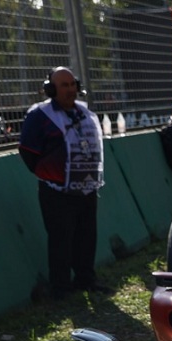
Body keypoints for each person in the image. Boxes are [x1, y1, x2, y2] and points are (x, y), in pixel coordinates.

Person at [18, 66, 109, 299]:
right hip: (56, 190)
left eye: (72, 85)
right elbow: (28, 152)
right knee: (61, 239)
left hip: (86, 188)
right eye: (63, 85)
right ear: (50, 89)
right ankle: (61, 287)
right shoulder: (40, 115)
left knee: (87, 236)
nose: (70, 90)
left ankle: (86, 279)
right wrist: (50, 172)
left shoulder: (86, 113)